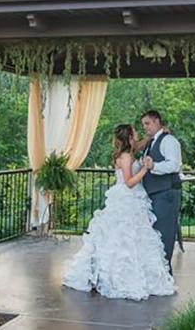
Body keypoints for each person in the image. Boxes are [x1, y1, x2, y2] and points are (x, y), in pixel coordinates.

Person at [62, 124, 176, 301]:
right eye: (135, 132)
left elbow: (138, 146)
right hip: (127, 198)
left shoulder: (128, 152)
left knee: (127, 238)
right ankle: (120, 276)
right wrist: (146, 169)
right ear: (130, 136)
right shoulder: (126, 156)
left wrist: (156, 135)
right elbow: (130, 182)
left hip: (128, 198)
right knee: (124, 238)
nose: (138, 133)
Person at [139, 110, 182, 273]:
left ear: (157, 121)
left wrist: (154, 166)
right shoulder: (151, 142)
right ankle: (156, 273)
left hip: (166, 193)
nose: (145, 127)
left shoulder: (168, 141)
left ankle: (165, 274)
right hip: (155, 194)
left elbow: (174, 165)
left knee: (164, 234)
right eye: (143, 124)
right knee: (155, 233)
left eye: (147, 123)